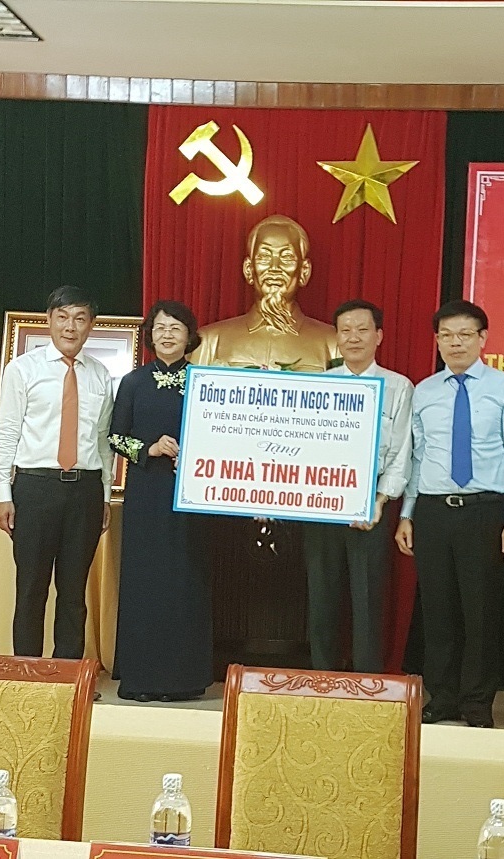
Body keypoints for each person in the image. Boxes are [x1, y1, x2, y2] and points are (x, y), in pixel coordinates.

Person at [395, 299, 504, 728]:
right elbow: (416, 457)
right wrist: (407, 514)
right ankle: (443, 698)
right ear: (437, 341)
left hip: (485, 513)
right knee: (438, 612)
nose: (455, 343)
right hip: (433, 513)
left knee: (481, 613)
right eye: (447, 336)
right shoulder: (424, 391)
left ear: (482, 338)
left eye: (465, 334)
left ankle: (477, 703)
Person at [0, 286, 113, 659]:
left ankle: (68, 677)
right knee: (31, 589)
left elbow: (103, 442)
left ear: (91, 325)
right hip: (35, 489)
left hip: (85, 492)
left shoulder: (101, 375)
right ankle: (27, 676)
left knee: (74, 593)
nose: (70, 327)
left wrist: (105, 496)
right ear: (48, 320)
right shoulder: (22, 370)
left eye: (79, 318)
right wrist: (3, 495)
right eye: (62, 317)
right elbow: (5, 434)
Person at [109, 300, 213, 702]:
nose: (167, 334)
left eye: (175, 328)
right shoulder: (133, 382)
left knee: (186, 579)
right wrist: (148, 448)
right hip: (146, 494)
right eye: (160, 328)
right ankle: (141, 679)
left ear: (189, 336)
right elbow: (115, 437)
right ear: (150, 335)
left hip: (192, 495)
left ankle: (184, 680)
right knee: (145, 580)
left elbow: (224, 431)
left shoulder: (206, 382)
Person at [303, 299, 413, 673]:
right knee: (322, 597)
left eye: (362, 330)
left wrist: (380, 500)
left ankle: (368, 682)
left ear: (378, 336)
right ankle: (323, 678)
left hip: (371, 503)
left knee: (368, 599)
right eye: (346, 330)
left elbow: (401, 452)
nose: (354, 337)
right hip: (320, 503)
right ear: (336, 337)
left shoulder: (398, 387)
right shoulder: (318, 386)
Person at [190, 214, 339, 372]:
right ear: (248, 269)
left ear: (304, 271)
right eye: (264, 257)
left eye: (287, 257)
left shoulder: (333, 343)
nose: (274, 267)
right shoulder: (210, 340)